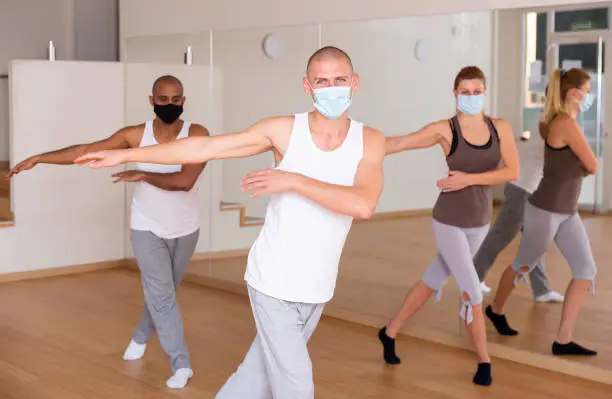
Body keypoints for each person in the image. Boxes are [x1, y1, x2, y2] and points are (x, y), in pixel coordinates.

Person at [75, 46, 386, 399]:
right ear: (307, 86)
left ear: (354, 82)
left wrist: (294, 180)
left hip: (317, 286)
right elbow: (203, 148)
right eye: (322, 81)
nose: (331, 88)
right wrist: (127, 153)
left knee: (256, 380)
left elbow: (363, 204)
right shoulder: (283, 131)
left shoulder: (370, 141)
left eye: (339, 80)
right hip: (274, 280)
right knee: (295, 387)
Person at [8, 75, 208, 389]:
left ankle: (140, 338)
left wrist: (143, 174)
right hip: (147, 227)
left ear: (183, 101)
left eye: (175, 100)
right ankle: (180, 363)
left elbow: (184, 182)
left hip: (186, 229)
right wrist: (39, 158)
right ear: (151, 100)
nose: (169, 105)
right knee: (162, 295)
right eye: (163, 99)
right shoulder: (134, 135)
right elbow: (87, 150)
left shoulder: (196, 134)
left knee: (163, 295)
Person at [378, 66, 519, 386]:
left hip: (480, 222)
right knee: (472, 291)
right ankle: (484, 361)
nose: (472, 96)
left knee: (432, 279)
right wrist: (355, 142)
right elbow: (400, 143)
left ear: (485, 91)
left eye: (477, 90)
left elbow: (511, 171)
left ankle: (389, 332)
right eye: (465, 91)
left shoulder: (501, 128)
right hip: (449, 222)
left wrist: (469, 179)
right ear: (455, 94)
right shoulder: (445, 129)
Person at [486, 68, 598, 356]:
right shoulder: (564, 124)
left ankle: (563, 340)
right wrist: (581, 166)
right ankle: (495, 309)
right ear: (574, 93)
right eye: (587, 89)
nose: (590, 95)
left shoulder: (565, 122)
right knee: (523, 264)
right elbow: (592, 164)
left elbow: (582, 165)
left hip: (567, 211)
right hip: (545, 210)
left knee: (586, 270)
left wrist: (580, 166)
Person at [474, 87, 564, 303]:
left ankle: (542, 289)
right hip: (522, 188)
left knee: (535, 240)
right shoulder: (549, 121)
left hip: (532, 190)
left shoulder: (552, 119)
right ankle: (472, 279)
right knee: (501, 236)